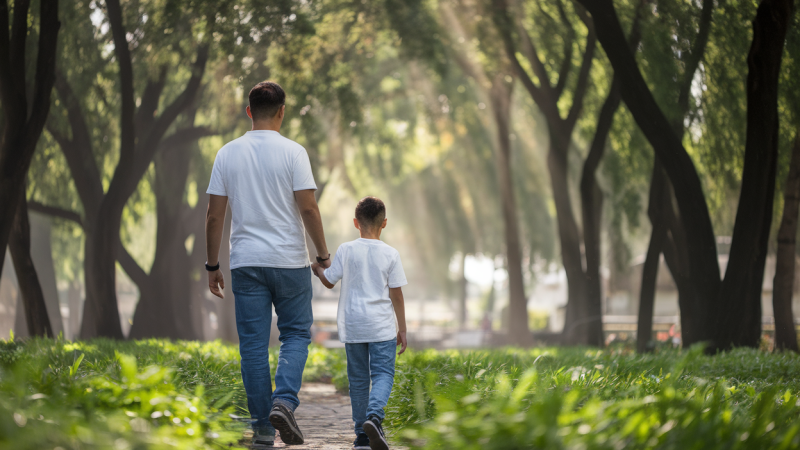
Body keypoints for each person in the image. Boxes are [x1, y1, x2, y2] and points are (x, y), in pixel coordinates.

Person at [205, 81, 331, 447]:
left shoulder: (227, 153)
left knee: (254, 347)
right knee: (295, 334)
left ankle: (261, 428)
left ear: (249, 112)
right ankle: (284, 401)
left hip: (246, 263)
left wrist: (213, 265)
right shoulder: (294, 152)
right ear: (282, 111)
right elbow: (308, 208)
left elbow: (215, 216)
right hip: (289, 261)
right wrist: (322, 256)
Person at [312, 196, 408, 450]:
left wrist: (318, 269)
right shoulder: (391, 253)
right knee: (383, 374)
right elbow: (396, 294)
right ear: (384, 223)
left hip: (353, 326)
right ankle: (374, 417)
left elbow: (330, 280)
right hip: (382, 327)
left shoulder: (345, 249)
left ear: (356, 223)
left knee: (358, 380)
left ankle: (362, 437)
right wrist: (403, 329)